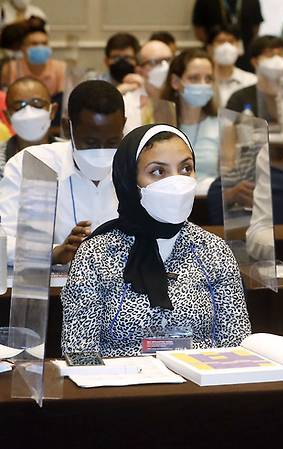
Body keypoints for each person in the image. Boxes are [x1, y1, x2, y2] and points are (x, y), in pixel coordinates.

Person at [61, 123, 251, 357]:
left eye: (185, 169)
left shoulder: (212, 249)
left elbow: (236, 344)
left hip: (199, 385)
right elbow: (79, 351)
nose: (177, 182)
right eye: (158, 172)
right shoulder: (97, 253)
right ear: (130, 181)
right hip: (121, 387)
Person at [0, 80, 125, 265]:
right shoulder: (33, 165)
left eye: (112, 143)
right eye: (90, 143)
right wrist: (54, 253)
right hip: (55, 292)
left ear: (123, 125)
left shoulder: (136, 166)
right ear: (68, 128)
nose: (101, 151)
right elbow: (4, 242)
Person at [161, 48, 218, 195]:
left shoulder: (222, 126)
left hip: (208, 205)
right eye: (194, 78)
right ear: (175, 82)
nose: (203, 84)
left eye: (208, 79)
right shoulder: (159, 126)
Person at [0, 76, 57, 178]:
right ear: (7, 116)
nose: (28, 111)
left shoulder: (71, 155)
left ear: (53, 111)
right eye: (19, 106)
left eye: (37, 103)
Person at [225, 35, 283, 119]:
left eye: (281, 54)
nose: (277, 60)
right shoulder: (240, 98)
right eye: (270, 55)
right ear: (255, 62)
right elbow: (228, 130)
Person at [1, 17, 64, 98]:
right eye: (34, 44)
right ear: (22, 48)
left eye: (44, 43)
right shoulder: (10, 69)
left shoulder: (60, 68)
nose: (40, 47)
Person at [121, 40, 174, 133]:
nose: (165, 66)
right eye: (155, 62)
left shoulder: (181, 99)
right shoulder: (126, 105)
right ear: (139, 70)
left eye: (169, 60)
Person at [206, 23, 256, 108]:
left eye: (231, 41)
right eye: (220, 41)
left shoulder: (252, 81)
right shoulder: (204, 81)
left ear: (239, 47)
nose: (226, 46)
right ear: (210, 48)